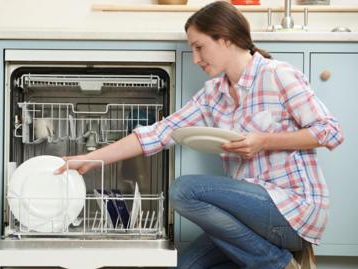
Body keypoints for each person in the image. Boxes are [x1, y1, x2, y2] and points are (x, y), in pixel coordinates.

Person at [55, 1, 344, 268]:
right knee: (185, 266)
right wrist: (90, 159)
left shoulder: (277, 75)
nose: (195, 59)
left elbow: (330, 132)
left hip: (293, 210)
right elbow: (158, 133)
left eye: (199, 47)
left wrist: (263, 141)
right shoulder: (213, 95)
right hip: (247, 220)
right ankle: (270, 258)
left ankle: (278, 264)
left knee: (184, 190)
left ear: (225, 38)